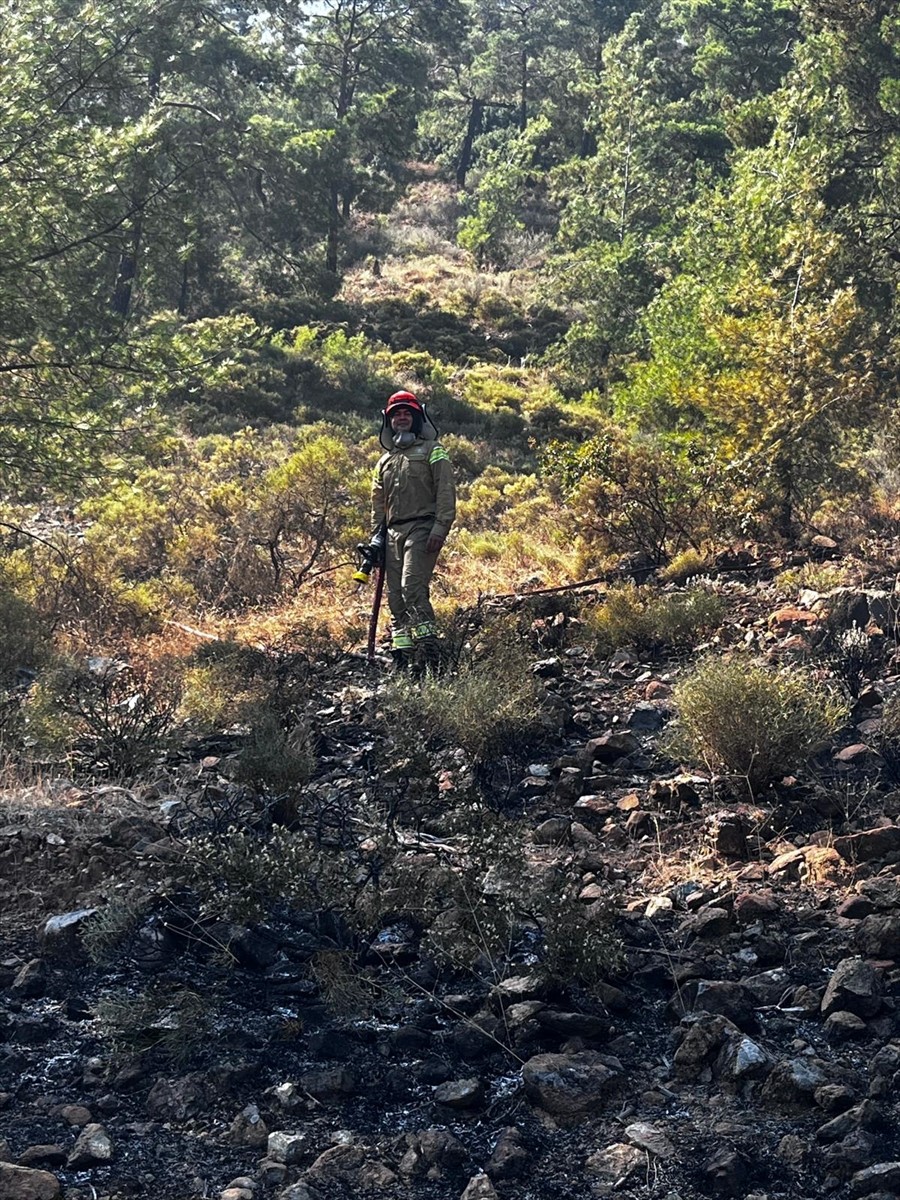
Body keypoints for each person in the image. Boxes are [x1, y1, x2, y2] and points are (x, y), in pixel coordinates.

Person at [370, 390, 456, 671]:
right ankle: (403, 657)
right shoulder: (384, 462)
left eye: (407, 412)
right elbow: (378, 504)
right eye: (397, 414)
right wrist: (376, 539)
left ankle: (430, 654)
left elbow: (445, 490)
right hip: (392, 534)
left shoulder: (434, 450)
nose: (402, 417)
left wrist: (440, 528)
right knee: (395, 597)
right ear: (389, 421)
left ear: (417, 418)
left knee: (412, 588)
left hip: (423, 528)